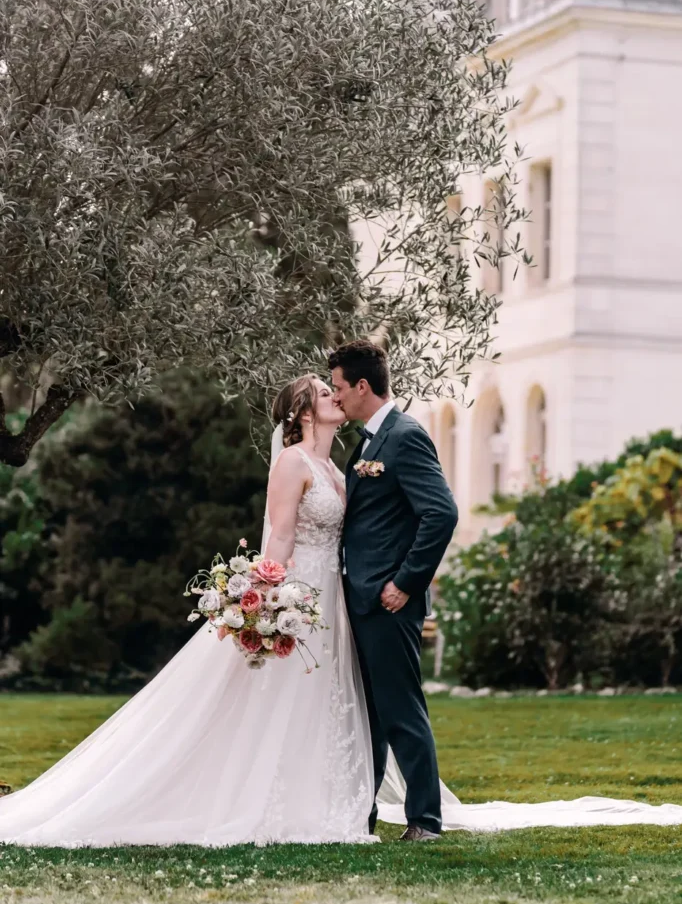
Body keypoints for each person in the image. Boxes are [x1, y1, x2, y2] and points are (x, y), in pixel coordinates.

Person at [2, 361, 682, 846]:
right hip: (304, 590)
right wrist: (268, 594)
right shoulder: (296, 463)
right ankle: (275, 798)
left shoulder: (345, 463)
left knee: (341, 700)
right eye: (323, 392)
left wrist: (394, 579)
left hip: (342, 595)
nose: (334, 396)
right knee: (287, 697)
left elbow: (385, 519)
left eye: (336, 388)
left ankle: (339, 801)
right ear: (302, 411)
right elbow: (277, 532)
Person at [329, 339, 458, 840]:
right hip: (361, 598)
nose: (335, 396)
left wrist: (405, 582)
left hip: (388, 601)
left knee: (401, 710)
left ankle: (424, 821)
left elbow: (441, 513)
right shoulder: (365, 443)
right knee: (374, 718)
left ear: (362, 386)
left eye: (339, 387)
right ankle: (365, 814)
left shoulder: (404, 436)